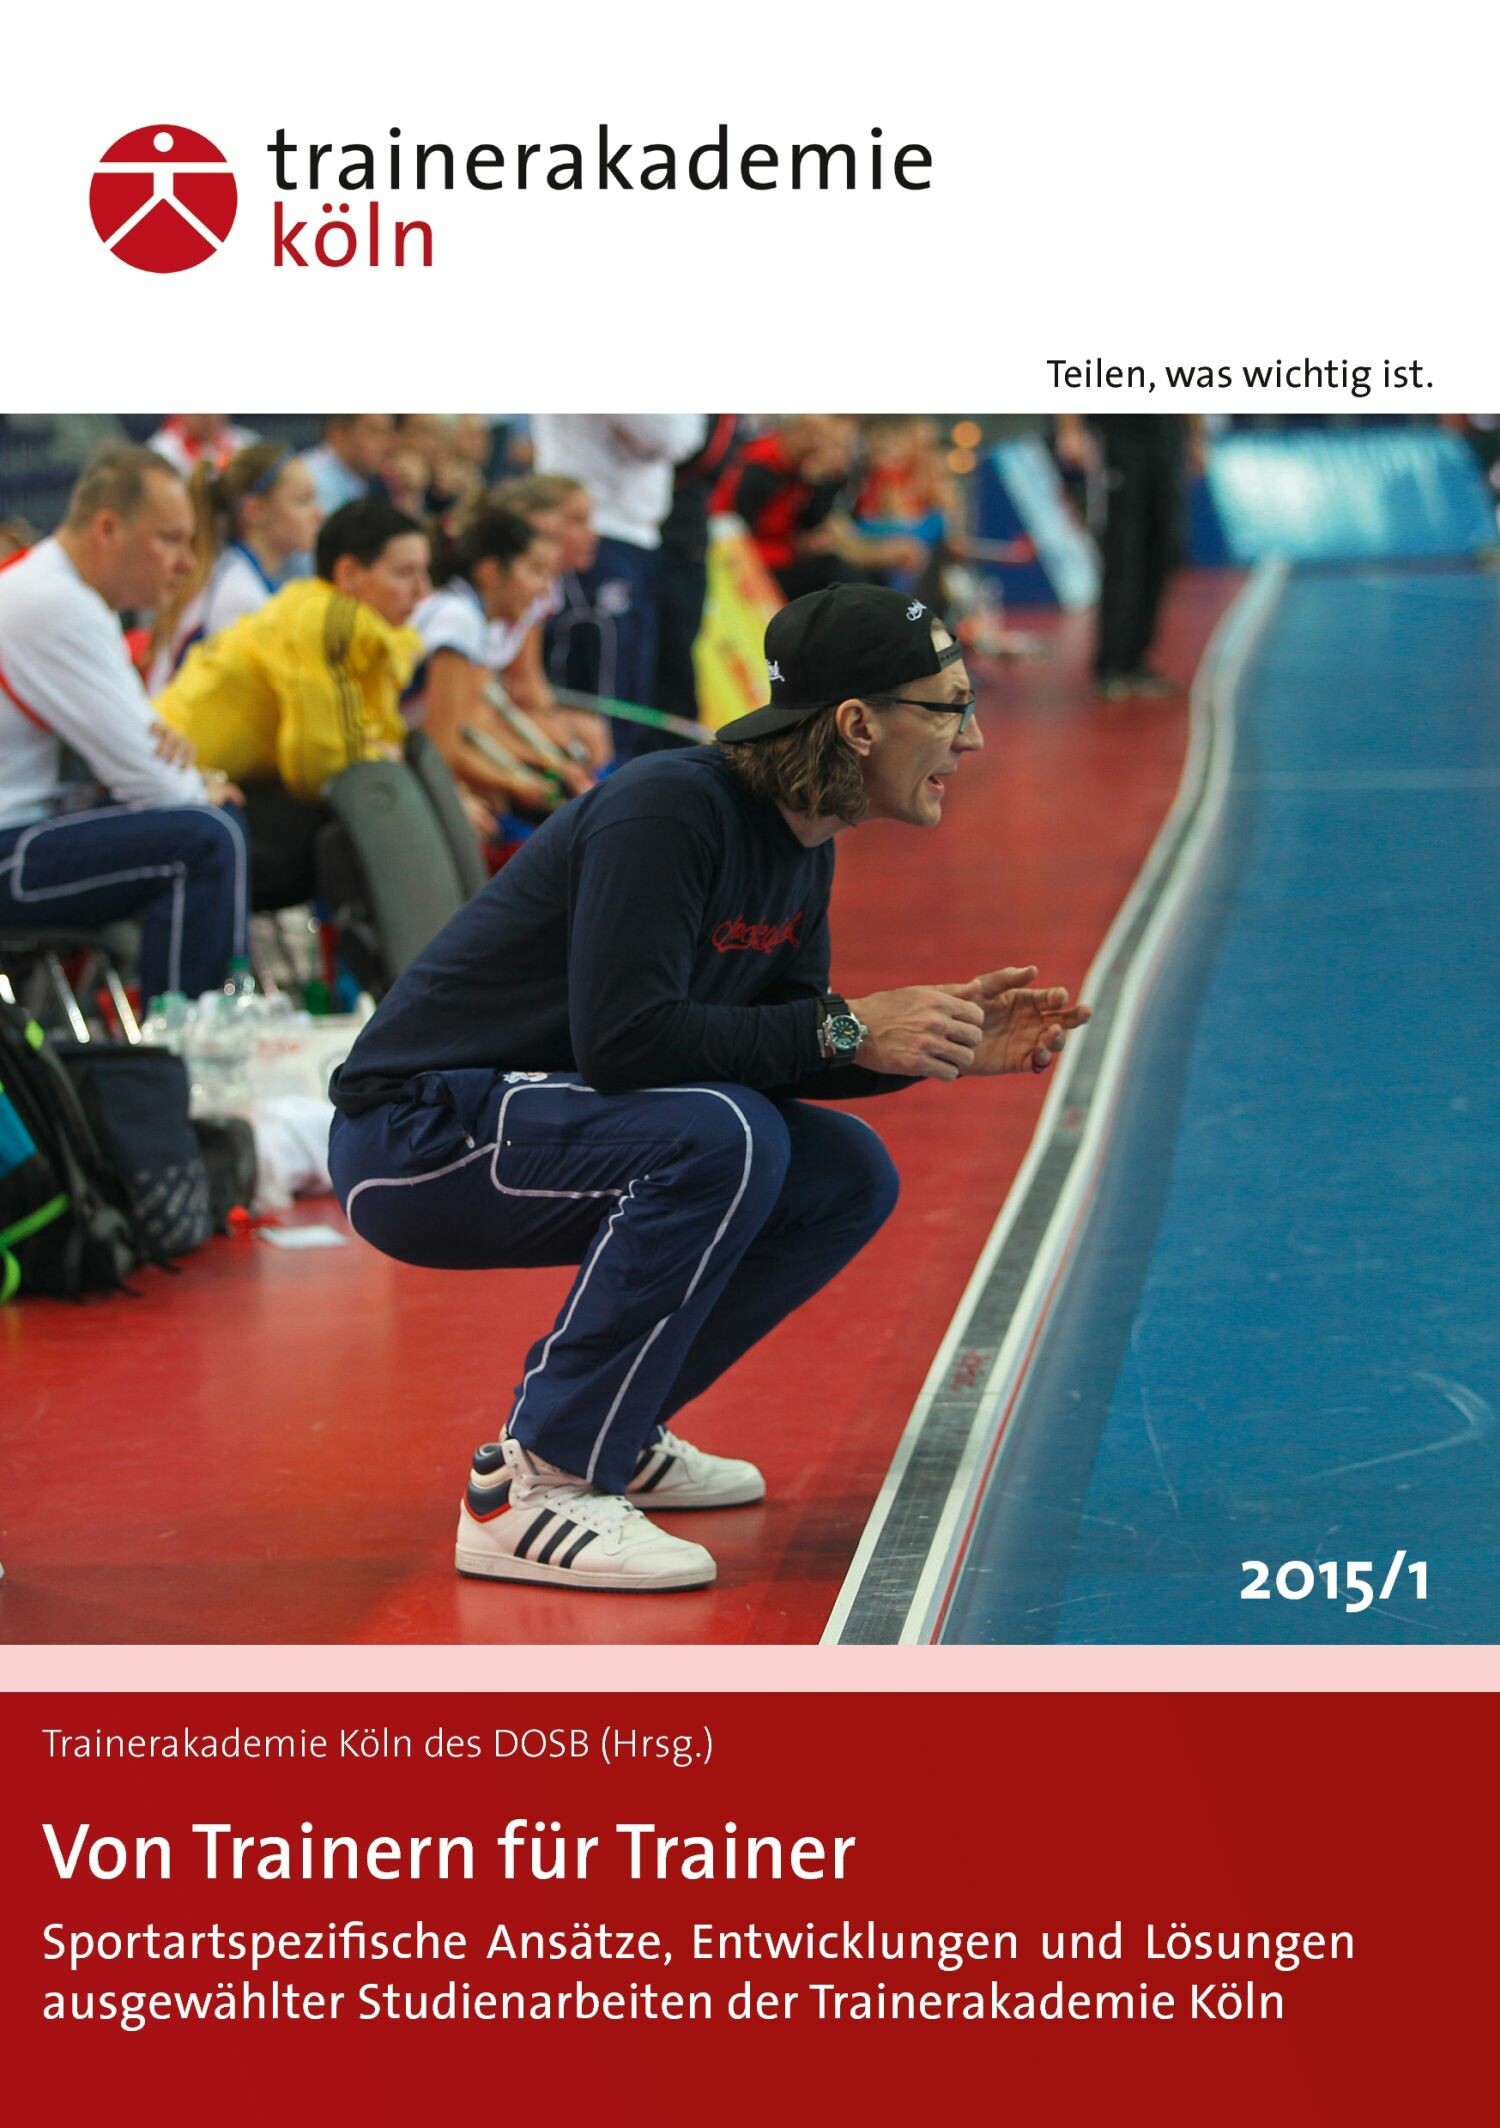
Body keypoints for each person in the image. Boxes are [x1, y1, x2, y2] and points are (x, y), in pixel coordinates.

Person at [327, 584, 1091, 1593]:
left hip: (527, 1120)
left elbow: (778, 1042)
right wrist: (855, 1024)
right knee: (727, 1137)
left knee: (841, 1173)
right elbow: (628, 1043)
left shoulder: (801, 841)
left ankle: (618, 1423)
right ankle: (537, 1480)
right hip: (415, 1138)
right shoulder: (668, 810)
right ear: (858, 725)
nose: (975, 737)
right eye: (951, 708)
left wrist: (923, 1046)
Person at [0, 445, 248, 1001]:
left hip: (23, 828)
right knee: (205, 838)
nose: (186, 563)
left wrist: (180, 771)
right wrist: (197, 783)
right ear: (108, 529)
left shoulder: (56, 588)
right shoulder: (55, 602)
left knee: (207, 822)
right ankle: (193, 1035)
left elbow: (148, 750)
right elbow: (158, 782)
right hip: (8, 845)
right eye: (171, 539)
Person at [156, 498, 430, 906]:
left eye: (425, 572)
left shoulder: (359, 625)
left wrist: (384, 754)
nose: (422, 591)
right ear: (349, 573)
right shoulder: (324, 619)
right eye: (405, 573)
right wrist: (384, 757)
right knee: (352, 822)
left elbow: (379, 732)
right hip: (176, 786)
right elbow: (315, 763)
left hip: (217, 782)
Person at [405, 505, 587, 836]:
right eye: (535, 571)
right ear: (491, 572)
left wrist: (546, 765)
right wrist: (516, 783)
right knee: (488, 812)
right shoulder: (458, 618)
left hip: (406, 750)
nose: (543, 590)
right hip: (387, 756)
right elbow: (442, 747)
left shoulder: (468, 615)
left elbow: (473, 724)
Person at [532, 414, 705, 756]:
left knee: (634, 684)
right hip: (605, 526)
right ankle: (593, 774)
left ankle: (615, 772)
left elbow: (686, 439)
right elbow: (666, 437)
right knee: (601, 686)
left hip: (640, 534)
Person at [146, 440, 324, 690]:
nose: (319, 514)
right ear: (256, 510)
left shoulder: (239, 572)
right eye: (303, 501)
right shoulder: (240, 597)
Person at [1055, 414, 1206, 697]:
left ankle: (1137, 661)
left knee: (1160, 549)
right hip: (1119, 434)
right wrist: (1070, 429)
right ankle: (1112, 665)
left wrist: (1197, 437)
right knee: (1123, 550)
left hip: (1167, 433)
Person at [299, 415, 396, 516]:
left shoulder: (359, 478)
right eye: (375, 432)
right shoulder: (309, 478)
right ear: (339, 433)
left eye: (388, 433)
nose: (387, 445)